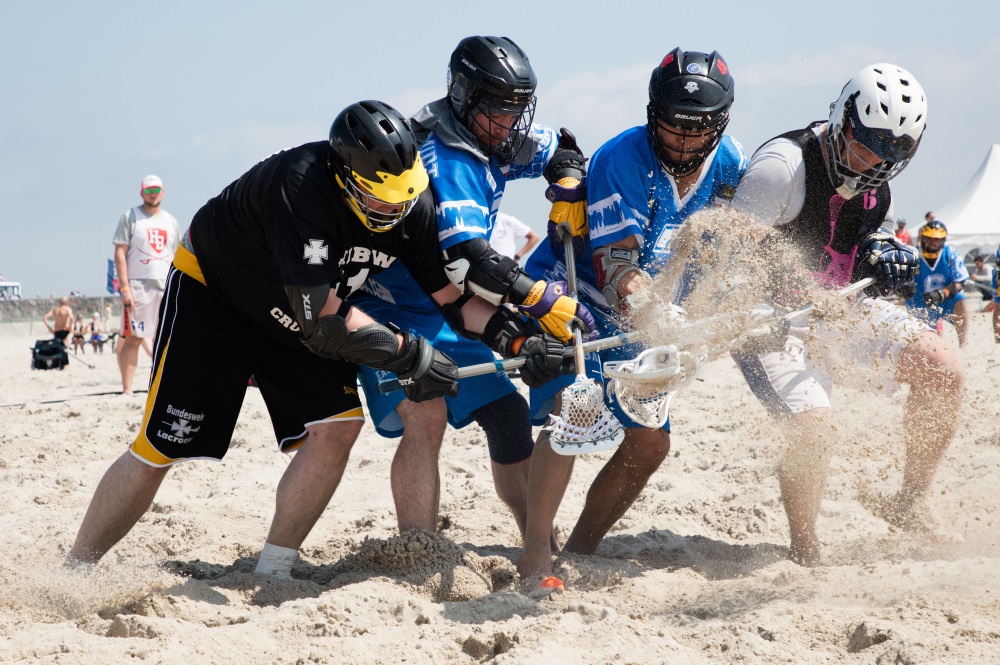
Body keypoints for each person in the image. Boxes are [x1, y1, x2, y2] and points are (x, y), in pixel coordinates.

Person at [68, 101, 568, 579]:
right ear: (347, 179)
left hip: (304, 309)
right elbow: (323, 321)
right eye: (381, 200)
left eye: (405, 197)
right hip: (216, 298)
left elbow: (451, 299)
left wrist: (518, 341)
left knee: (337, 428)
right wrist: (409, 354)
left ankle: (274, 570)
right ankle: (77, 567)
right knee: (162, 446)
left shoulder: (408, 202)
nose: (395, 211)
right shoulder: (300, 187)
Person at [517, 47, 748, 581]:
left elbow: (724, 245)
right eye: (672, 126)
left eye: (698, 129)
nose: (683, 141)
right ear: (652, 113)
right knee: (571, 417)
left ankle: (578, 550)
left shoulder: (732, 162)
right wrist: (652, 309)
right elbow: (617, 266)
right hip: (576, 295)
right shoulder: (619, 159)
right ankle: (535, 555)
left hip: (652, 311)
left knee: (649, 442)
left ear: (720, 125)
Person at [354, 36, 595, 545]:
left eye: (518, 109)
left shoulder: (494, 136)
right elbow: (472, 259)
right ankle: (417, 549)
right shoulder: (449, 157)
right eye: (498, 110)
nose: (510, 123)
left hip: (445, 305)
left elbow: (565, 147)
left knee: (507, 416)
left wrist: (570, 185)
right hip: (388, 304)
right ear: (463, 97)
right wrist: (542, 299)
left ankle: (539, 544)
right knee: (427, 414)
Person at [729, 63, 964, 566]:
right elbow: (727, 255)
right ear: (842, 119)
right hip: (768, 319)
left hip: (836, 310)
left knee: (943, 368)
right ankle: (805, 549)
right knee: (815, 427)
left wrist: (880, 261)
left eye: (890, 155)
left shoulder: (879, 187)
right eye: (866, 146)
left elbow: (847, 256)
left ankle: (910, 501)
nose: (874, 164)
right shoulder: (781, 168)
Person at [113, 174, 180, 395]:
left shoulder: (171, 221)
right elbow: (120, 253)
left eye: (156, 190)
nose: (153, 194)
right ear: (142, 192)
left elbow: (177, 255)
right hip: (138, 285)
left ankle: (163, 385)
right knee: (134, 338)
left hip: (165, 285)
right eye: (149, 190)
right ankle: (127, 389)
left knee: (166, 338)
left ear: (163, 192)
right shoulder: (131, 217)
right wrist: (124, 287)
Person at [904, 221, 970, 347]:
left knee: (961, 300)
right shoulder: (914, 255)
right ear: (923, 238)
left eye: (936, 239)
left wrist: (943, 293)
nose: (932, 242)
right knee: (930, 343)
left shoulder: (950, 254)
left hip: (943, 300)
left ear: (943, 240)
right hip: (919, 302)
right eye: (929, 238)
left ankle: (963, 343)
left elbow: (960, 282)